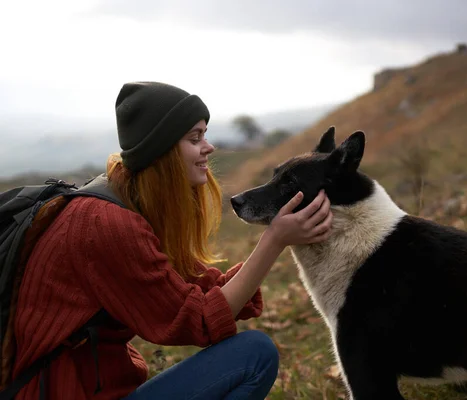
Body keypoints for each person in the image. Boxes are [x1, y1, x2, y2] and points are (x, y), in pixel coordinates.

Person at [11, 81, 333, 399]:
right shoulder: (105, 223)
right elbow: (201, 322)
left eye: (205, 135)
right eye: (195, 138)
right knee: (254, 356)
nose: (208, 147)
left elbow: (198, 286)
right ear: (162, 149)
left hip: (101, 389)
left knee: (253, 353)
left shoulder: (127, 198)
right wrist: (274, 240)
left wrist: (269, 246)